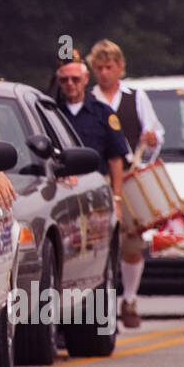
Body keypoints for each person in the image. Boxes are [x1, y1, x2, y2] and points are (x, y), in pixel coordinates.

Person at [88, 39, 164, 328]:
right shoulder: (90, 101)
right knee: (101, 243)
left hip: (130, 177)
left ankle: (129, 298)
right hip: (97, 178)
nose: (105, 72)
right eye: (100, 67)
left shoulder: (136, 97)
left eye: (110, 67)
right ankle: (101, 302)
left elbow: (154, 131)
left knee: (132, 242)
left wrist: (152, 141)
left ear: (120, 67)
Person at [53, 54, 131, 319]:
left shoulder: (102, 113)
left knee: (98, 256)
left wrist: (117, 200)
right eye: (64, 80)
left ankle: (101, 317)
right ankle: (65, 318)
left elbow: (115, 159)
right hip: (61, 196)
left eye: (76, 79)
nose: (70, 85)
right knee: (69, 256)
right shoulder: (51, 112)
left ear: (86, 79)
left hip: (94, 195)